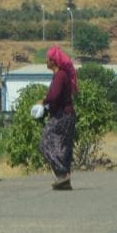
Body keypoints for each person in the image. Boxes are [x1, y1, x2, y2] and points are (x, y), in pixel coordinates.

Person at [37, 45, 78, 190]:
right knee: (63, 147)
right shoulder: (60, 75)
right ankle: (64, 180)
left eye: (48, 59)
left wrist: (43, 101)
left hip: (62, 116)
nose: (46, 62)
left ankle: (62, 173)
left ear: (53, 61)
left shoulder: (60, 75)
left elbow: (53, 96)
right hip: (68, 115)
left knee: (45, 142)